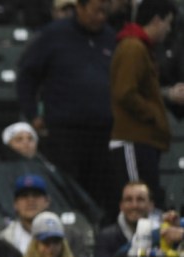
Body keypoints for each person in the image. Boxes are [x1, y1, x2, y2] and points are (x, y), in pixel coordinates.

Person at [16, 0, 115, 213]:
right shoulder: (54, 35)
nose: (101, 17)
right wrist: (32, 113)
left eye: (104, 12)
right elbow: (27, 75)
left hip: (102, 134)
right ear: (79, 7)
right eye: (96, 11)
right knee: (64, 194)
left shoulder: (111, 38)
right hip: (64, 133)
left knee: (98, 197)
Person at [108, 0, 178, 223]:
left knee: (147, 204)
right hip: (132, 138)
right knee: (136, 202)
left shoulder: (141, 48)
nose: (168, 29)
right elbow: (125, 92)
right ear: (157, 20)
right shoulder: (133, 47)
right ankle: (133, 254)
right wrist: (153, 114)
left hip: (143, 140)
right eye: (168, 23)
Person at [0, 121, 103, 225]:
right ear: (8, 145)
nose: (26, 143)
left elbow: (78, 196)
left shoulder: (50, 168)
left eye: (30, 139)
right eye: (19, 139)